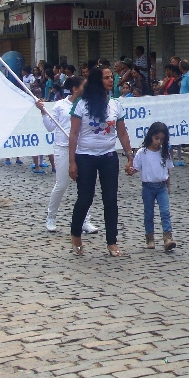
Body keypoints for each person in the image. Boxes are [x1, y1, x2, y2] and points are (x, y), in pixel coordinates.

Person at [68, 67, 133, 257]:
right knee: (85, 198)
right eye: (106, 78)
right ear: (97, 80)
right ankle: (76, 234)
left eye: (111, 77)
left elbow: (122, 132)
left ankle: (112, 241)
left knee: (110, 199)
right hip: (85, 156)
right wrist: (72, 162)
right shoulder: (81, 104)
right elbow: (73, 134)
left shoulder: (115, 105)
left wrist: (130, 154)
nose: (111, 80)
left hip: (108, 156)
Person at [36, 76, 98, 234]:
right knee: (62, 185)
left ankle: (85, 220)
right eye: (84, 86)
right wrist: (43, 111)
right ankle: (51, 217)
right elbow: (50, 127)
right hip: (63, 148)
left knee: (85, 187)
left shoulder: (87, 105)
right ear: (75, 89)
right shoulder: (60, 105)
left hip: (82, 149)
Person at [126, 121, 177, 251]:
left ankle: (168, 237)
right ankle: (150, 238)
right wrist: (130, 170)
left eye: (162, 139)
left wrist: (168, 186)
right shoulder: (142, 153)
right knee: (148, 213)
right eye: (156, 138)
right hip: (148, 187)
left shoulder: (164, 153)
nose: (158, 142)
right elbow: (136, 168)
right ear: (150, 136)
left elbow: (167, 170)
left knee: (165, 212)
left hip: (161, 187)